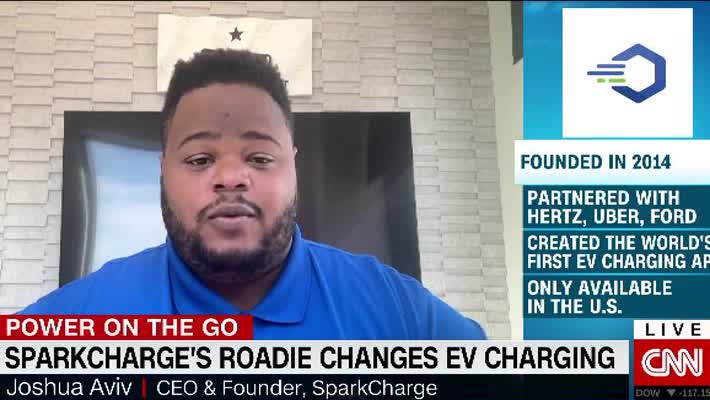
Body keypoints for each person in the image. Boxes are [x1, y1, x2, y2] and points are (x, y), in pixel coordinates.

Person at [19, 49, 486, 340]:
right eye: (199, 159)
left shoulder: (398, 312)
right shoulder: (74, 323)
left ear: (293, 167)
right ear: (163, 171)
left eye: (260, 158)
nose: (231, 177)